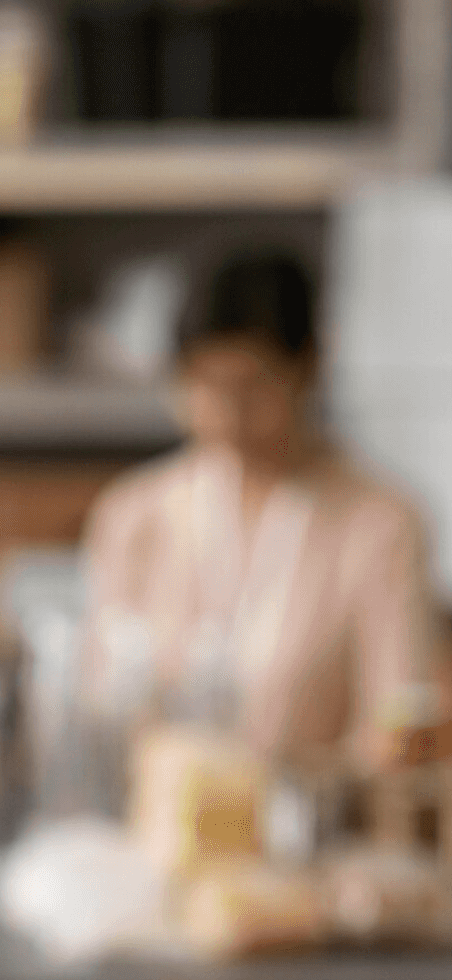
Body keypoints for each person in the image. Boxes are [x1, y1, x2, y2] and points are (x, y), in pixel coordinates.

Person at [83, 250, 444, 770]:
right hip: (159, 826)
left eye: (254, 385)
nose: (230, 414)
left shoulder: (381, 524)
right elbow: (103, 702)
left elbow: (398, 721)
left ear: (309, 368)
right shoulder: (134, 515)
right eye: (207, 385)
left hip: (314, 831)